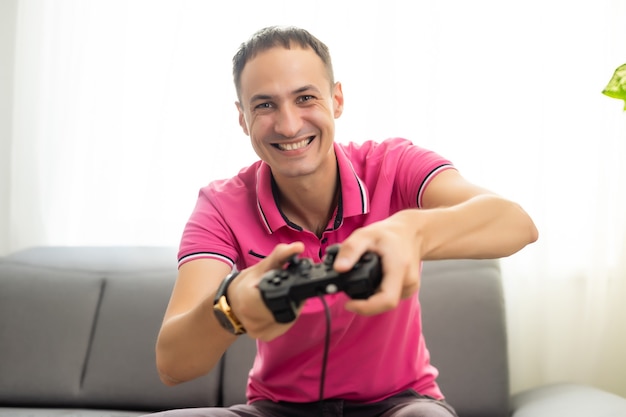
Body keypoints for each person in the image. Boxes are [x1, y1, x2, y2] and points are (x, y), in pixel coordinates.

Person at [147, 25, 538, 417]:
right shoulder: (220, 205)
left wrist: (411, 231)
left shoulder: (394, 165)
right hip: (276, 409)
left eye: (305, 98)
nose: (288, 125)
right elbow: (173, 364)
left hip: (399, 404)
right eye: (264, 105)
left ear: (336, 99)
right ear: (243, 119)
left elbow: (516, 224)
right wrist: (229, 306)